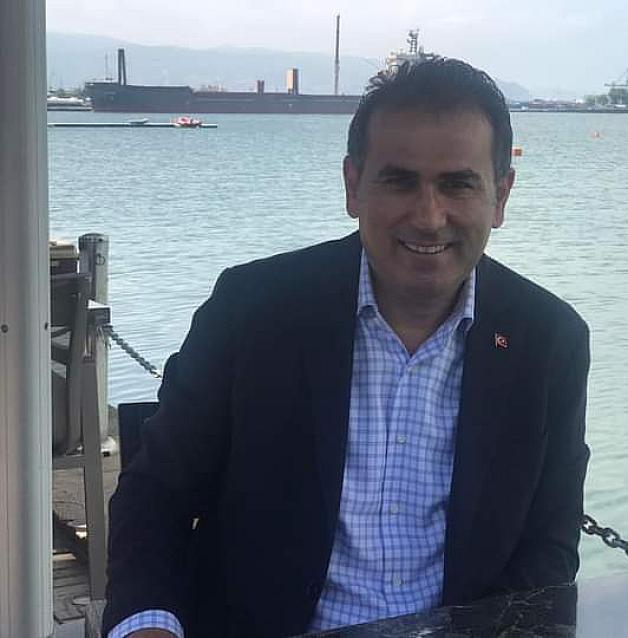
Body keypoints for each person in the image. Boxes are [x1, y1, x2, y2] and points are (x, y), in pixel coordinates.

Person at [103, 57, 590, 638]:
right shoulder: (252, 310)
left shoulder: (549, 341)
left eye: (458, 184)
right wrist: (147, 624)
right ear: (353, 186)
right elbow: (155, 496)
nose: (429, 217)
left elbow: (548, 549)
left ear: (501, 195)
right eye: (399, 181)